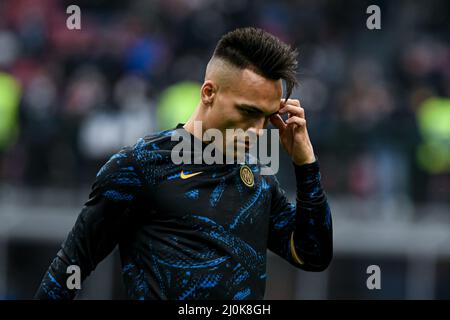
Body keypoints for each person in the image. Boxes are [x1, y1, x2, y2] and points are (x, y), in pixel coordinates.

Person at [35, 27, 332, 300]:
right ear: (209, 93)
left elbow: (313, 255)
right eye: (247, 112)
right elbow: (70, 265)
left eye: (266, 118)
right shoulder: (140, 166)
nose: (256, 130)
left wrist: (306, 164)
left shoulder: (258, 177)